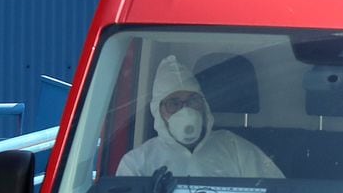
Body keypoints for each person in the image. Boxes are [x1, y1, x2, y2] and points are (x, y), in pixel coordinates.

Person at [116, 57, 284, 180]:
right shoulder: (137, 163)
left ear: (204, 105)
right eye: (174, 104)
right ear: (158, 112)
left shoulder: (235, 149)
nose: (186, 111)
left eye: (192, 100)